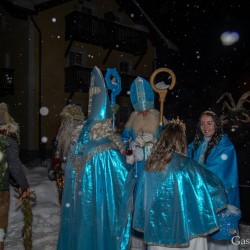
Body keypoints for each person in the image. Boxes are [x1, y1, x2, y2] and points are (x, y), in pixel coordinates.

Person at [57, 66, 135, 250]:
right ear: (106, 122)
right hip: (98, 211)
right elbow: (123, 177)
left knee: (83, 231)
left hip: (80, 210)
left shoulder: (78, 143)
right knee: (98, 234)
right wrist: (132, 162)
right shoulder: (106, 148)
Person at [133, 119, 228, 250]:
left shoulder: (149, 166)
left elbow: (142, 198)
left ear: (162, 139)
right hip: (188, 228)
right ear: (181, 141)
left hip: (158, 228)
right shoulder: (189, 166)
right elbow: (215, 188)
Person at [121, 76, 167, 249]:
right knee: (138, 206)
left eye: (147, 109)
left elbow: (171, 147)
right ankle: (138, 242)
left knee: (154, 206)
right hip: (138, 175)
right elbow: (123, 147)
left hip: (157, 174)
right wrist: (132, 145)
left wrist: (156, 140)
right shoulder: (129, 128)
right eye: (140, 111)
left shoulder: (162, 124)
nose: (144, 113)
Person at [187, 110, 240, 250]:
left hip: (220, 196)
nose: (206, 127)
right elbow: (185, 159)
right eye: (203, 124)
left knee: (221, 235)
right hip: (202, 195)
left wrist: (192, 172)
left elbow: (215, 170)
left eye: (209, 123)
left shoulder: (225, 145)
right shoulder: (196, 144)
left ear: (216, 124)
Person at [0, 103, 30, 250]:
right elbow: (14, 165)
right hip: (1, 188)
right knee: (0, 220)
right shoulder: (7, 137)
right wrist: (23, 185)